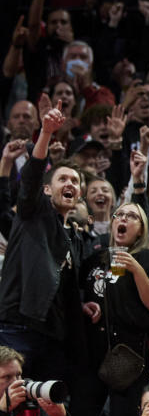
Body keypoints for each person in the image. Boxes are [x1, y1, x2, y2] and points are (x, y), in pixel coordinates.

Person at [74, 193, 149, 416]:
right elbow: (78, 294)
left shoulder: (147, 258)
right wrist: (85, 304)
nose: (123, 220)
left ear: (141, 229)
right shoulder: (94, 258)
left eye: (132, 216)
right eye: (119, 215)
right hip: (92, 355)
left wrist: (135, 266)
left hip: (128, 355)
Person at [0, 102, 88, 384]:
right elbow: (32, 175)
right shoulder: (32, 212)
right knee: (10, 405)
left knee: (49, 413)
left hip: (54, 337)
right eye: (63, 179)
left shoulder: (75, 236)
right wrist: (47, 133)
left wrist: (82, 305)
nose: (70, 184)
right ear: (48, 189)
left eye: (75, 181)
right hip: (18, 325)